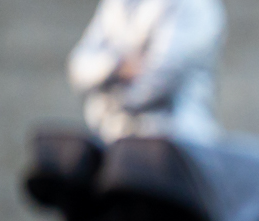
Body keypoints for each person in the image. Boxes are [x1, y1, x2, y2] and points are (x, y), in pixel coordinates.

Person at [70, 0, 226, 143]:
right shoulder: (117, 4)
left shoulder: (195, 5)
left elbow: (162, 76)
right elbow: (78, 68)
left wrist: (111, 98)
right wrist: (117, 65)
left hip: (175, 138)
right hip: (114, 138)